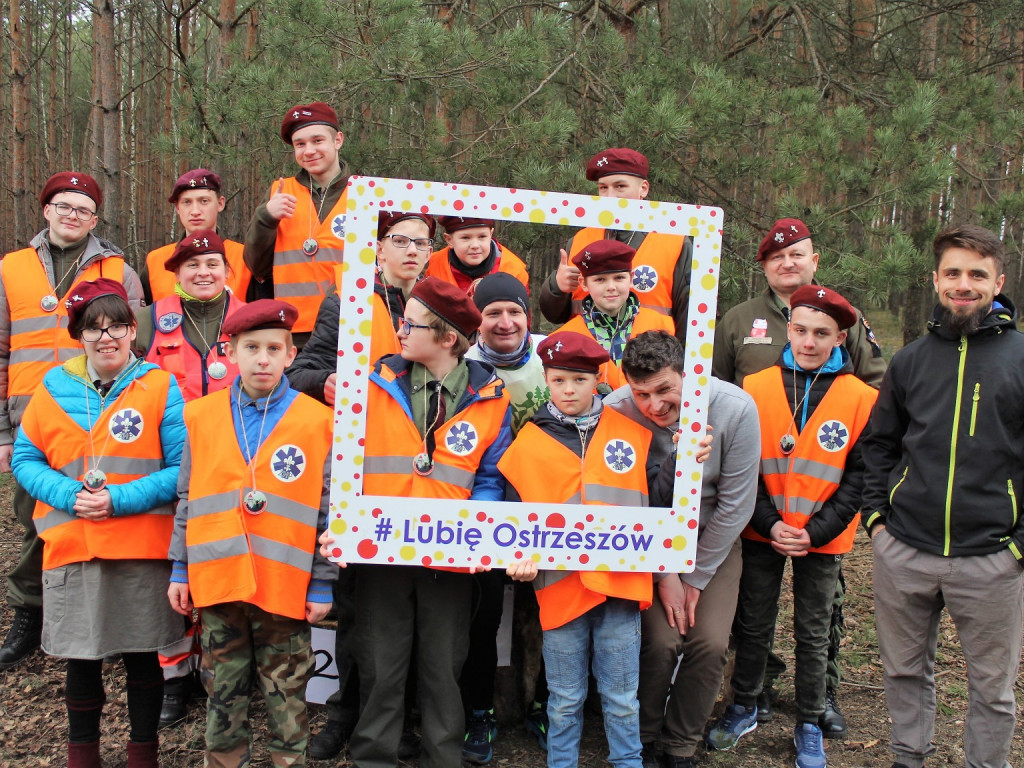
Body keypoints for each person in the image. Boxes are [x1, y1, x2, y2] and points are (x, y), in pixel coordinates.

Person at [711, 217, 885, 735]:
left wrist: (816, 528)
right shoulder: (749, 353)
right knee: (753, 615)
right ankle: (749, 697)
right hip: (760, 514)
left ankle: (814, 709)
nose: (810, 341)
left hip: (822, 527)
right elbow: (727, 425)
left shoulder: (855, 374)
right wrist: (766, 518)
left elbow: (863, 455)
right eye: (801, 330)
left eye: (821, 333)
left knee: (817, 622)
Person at [860, 224, 1024, 768]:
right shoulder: (909, 361)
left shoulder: (1021, 359)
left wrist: (1018, 545)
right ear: (936, 280)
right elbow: (879, 445)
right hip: (905, 549)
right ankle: (910, 757)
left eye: (977, 274)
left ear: (998, 282)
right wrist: (877, 522)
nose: (964, 284)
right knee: (905, 671)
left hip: (992, 557)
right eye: (953, 272)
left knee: (993, 692)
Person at [12, 278, 185, 768]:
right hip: (74, 543)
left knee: (141, 657)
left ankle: (142, 754)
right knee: (81, 658)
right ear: (79, 335)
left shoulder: (159, 385)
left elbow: (178, 469)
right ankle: (82, 753)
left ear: (134, 332)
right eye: (94, 329)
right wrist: (70, 496)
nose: (106, 338)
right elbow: (26, 459)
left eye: (118, 327)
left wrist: (120, 499)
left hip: (137, 545)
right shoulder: (53, 386)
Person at [349, 276, 512, 768]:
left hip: (450, 553)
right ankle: (373, 756)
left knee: (444, 664)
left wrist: (472, 526)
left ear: (446, 339)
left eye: (411, 324)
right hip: (381, 551)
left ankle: (443, 757)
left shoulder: (491, 396)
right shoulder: (373, 383)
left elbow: (491, 475)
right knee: (380, 662)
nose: (400, 331)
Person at [293, 210, 437, 762]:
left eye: (419, 243)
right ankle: (344, 716)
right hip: (361, 478)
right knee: (356, 609)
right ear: (377, 249)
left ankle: (398, 720)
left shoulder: (438, 304)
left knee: (412, 613)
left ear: (429, 252)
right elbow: (300, 371)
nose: (409, 251)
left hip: (425, 478)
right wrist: (326, 381)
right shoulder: (347, 299)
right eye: (398, 241)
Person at [166, 299, 335, 766]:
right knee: (223, 695)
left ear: (290, 355)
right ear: (231, 352)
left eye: (273, 348)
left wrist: (322, 581)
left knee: (287, 700)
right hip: (218, 582)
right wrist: (181, 569)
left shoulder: (318, 422)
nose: (263, 358)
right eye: (251, 348)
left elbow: (326, 509)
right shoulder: (200, 416)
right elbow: (187, 498)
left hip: (286, 586)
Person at [502, 331, 673, 768]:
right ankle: (561, 762)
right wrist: (515, 557)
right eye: (558, 381)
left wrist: (688, 459)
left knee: (620, 697)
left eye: (578, 381)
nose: (568, 391)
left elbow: (659, 499)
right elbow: (511, 518)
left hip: (618, 586)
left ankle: (627, 762)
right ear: (546, 379)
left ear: (597, 379)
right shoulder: (528, 441)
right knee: (563, 697)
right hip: (559, 590)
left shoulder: (635, 435)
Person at [0, 172, 143, 672]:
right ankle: (29, 612)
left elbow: (136, 345)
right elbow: (1, 350)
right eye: (64, 206)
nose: (72, 215)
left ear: (95, 219)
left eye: (83, 209)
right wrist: (3, 431)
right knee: (35, 520)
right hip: (32, 418)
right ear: (46, 209)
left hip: (103, 417)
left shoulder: (119, 269)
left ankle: (106, 616)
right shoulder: (11, 268)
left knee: (105, 514)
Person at [604, 330, 761, 768]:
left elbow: (737, 503)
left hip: (712, 540)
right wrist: (665, 573)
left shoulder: (734, 408)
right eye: (642, 394)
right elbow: (625, 498)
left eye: (664, 390)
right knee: (659, 638)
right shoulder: (617, 410)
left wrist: (694, 575)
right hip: (645, 542)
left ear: (688, 377)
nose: (654, 406)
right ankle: (643, 735)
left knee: (709, 642)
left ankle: (680, 743)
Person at [460, 272, 550, 763]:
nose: (504, 321)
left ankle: (546, 703)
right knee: (484, 610)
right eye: (493, 312)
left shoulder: (550, 355)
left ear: (527, 317)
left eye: (513, 311)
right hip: (489, 504)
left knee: (550, 611)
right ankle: (480, 710)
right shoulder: (466, 366)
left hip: (547, 504)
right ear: (477, 320)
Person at [539, 147, 692, 340]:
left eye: (620, 186)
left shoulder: (674, 243)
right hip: (589, 363)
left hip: (651, 363)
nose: (610, 196)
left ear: (643, 189)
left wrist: (679, 368)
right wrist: (556, 288)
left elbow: (690, 320)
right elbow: (555, 315)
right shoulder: (580, 240)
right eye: (603, 188)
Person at [243, 101, 350, 345]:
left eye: (317, 140)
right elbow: (255, 266)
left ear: (338, 140)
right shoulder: (279, 193)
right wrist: (267, 217)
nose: (309, 150)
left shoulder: (363, 194)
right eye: (300, 144)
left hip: (350, 325)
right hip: (294, 329)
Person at [554, 240, 673, 392]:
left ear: (631, 278)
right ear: (583, 283)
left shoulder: (662, 326)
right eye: (600, 279)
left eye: (619, 278)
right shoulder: (566, 337)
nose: (611, 287)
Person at [141, 168, 252, 303]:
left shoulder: (244, 258)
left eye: (204, 201)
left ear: (220, 203)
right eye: (187, 202)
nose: (195, 211)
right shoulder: (156, 261)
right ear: (177, 208)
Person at [426, 216, 529, 294]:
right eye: (465, 238)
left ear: (491, 234)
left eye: (482, 236)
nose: (475, 245)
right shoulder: (434, 267)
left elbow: (521, 317)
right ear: (449, 240)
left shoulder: (514, 272)